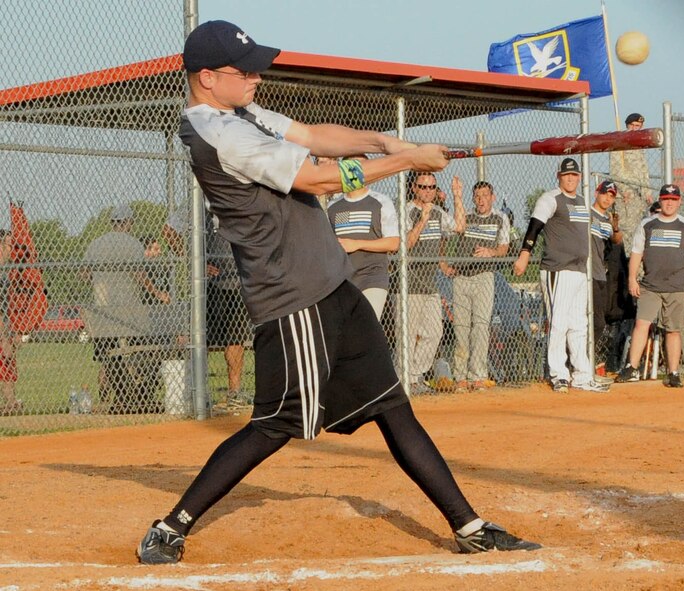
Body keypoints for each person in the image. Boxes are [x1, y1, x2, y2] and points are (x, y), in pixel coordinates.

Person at [136, 20, 539, 564]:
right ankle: (170, 526)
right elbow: (318, 179)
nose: (258, 76)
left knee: (394, 406)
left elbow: (313, 135)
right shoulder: (220, 134)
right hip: (293, 296)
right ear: (207, 78)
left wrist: (385, 142)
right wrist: (405, 163)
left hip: (334, 286)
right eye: (244, 69)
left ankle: (469, 526)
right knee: (275, 423)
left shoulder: (243, 114)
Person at [513, 158, 609, 393]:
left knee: (579, 323)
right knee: (559, 323)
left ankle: (582, 375)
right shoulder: (551, 198)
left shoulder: (582, 201)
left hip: (579, 271)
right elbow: (535, 226)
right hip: (558, 269)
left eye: (574, 175)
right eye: (566, 174)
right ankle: (558, 374)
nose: (570, 178)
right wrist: (525, 253)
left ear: (579, 177)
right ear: (559, 176)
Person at [163, 206, 252, 407]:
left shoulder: (235, 196)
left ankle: (234, 393)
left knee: (236, 338)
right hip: (208, 284)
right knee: (204, 339)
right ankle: (201, 395)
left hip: (237, 281)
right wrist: (194, 261)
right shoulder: (197, 205)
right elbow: (168, 230)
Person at [615, 184, 684, 387]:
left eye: (673, 199)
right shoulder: (648, 224)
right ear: (660, 201)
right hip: (650, 286)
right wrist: (632, 279)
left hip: (677, 287)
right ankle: (631, 368)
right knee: (641, 324)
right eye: (665, 199)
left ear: (679, 202)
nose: (669, 203)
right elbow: (636, 253)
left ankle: (673, 372)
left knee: (673, 330)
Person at [83, 204, 165, 413]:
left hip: (103, 308)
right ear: (128, 223)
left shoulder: (96, 243)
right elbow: (139, 274)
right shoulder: (133, 244)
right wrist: (157, 293)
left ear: (112, 223)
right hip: (129, 308)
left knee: (109, 353)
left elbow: (83, 275)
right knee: (149, 346)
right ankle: (142, 395)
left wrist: (101, 275)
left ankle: (123, 397)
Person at [403, 172, 465, 393]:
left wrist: (457, 197)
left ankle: (413, 374)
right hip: (408, 284)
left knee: (434, 333)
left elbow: (459, 226)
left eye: (432, 187)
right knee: (407, 336)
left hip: (431, 284)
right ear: (414, 188)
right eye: (423, 186)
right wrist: (422, 220)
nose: (428, 191)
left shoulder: (438, 212)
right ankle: (406, 381)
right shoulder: (406, 211)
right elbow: (405, 245)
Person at [326, 155, 399, 320]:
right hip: (342, 280)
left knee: (366, 325)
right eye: (351, 166)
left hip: (371, 277)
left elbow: (393, 242)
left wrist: (357, 244)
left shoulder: (380, 202)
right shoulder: (333, 207)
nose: (355, 170)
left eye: (361, 166)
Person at [451, 180, 509, 390]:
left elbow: (503, 248)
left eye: (485, 195)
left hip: (484, 276)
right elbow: (451, 232)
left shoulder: (500, 218)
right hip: (461, 277)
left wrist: (490, 252)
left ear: (492, 197)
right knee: (461, 328)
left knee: (481, 326)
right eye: (477, 196)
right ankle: (460, 377)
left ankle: (478, 375)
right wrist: (457, 195)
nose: (481, 199)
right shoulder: (467, 217)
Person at [590, 181, 623, 381]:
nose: (607, 198)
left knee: (599, 323)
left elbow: (617, 241)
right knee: (588, 321)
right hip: (584, 275)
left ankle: (592, 360)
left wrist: (615, 227)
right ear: (596, 193)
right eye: (605, 194)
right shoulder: (586, 213)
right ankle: (583, 362)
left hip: (600, 275)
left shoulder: (607, 221)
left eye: (611, 196)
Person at [610, 113, 653, 253]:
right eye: (633, 126)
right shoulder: (620, 144)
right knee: (626, 231)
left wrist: (647, 192)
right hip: (627, 198)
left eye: (638, 127)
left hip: (640, 197)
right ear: (627, 126)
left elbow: (644, 171)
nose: (635, 129)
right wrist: (624, 190)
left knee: (639, 231)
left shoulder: (639, 146)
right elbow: (615, 171)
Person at [0, 230, 22, 416]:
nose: (12, 250)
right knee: (5, 360)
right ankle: (10, 403)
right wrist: (4, 336)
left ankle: (11, 402)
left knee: (7, 364)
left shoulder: (5, 273)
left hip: (4, 327)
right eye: (9, 246)